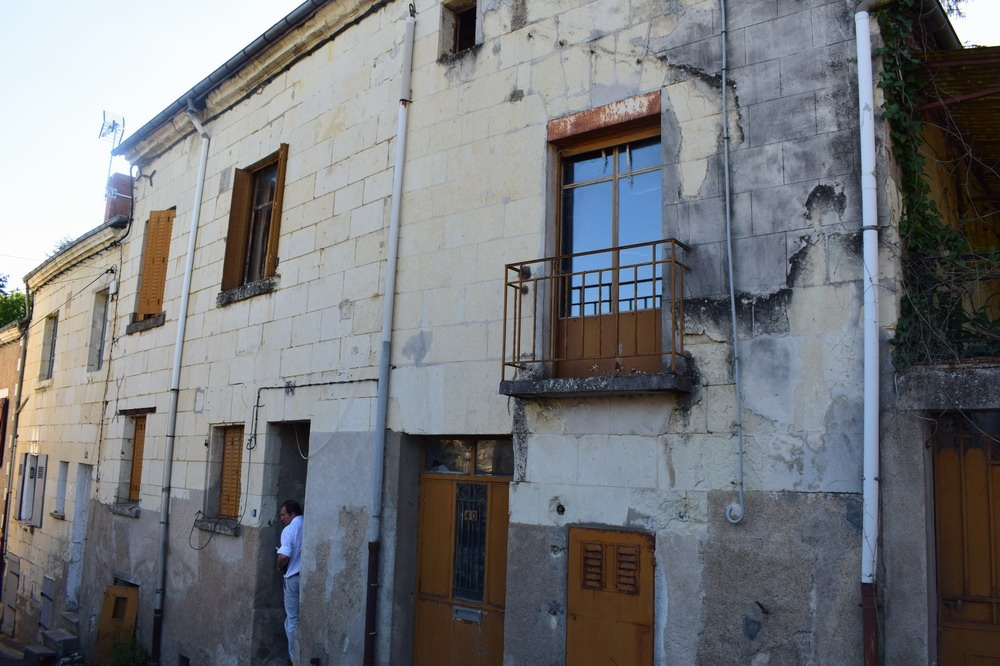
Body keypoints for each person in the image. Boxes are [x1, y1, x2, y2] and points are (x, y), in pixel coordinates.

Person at [277, 499, 303, 665]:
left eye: (283, 515)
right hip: (306, 578)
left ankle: (294, 659)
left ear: (292, 514)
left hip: (293, 578)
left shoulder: (290, 529)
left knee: (292, 620)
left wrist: (279, 566)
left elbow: (284, 556)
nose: (281, 518)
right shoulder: (308, 523)